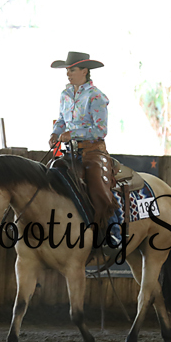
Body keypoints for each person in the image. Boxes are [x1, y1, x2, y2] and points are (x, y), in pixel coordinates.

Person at [48, 51, 118, 228]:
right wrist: (55, 134)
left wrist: (73, 134)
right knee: (48, 177)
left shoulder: (96, 96)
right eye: (67, 70)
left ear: (84, 71)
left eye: (72, 70)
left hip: (92, 152)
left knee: (99, 191)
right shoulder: (65, 94)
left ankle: (114, 231)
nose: (68, 73)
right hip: (70, 151)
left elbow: (100, 130)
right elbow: (62, 120)